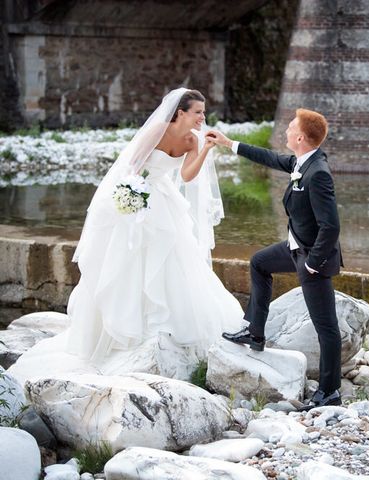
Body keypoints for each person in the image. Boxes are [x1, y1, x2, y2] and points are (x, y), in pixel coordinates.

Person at [9, 88, 244, 382]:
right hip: (139, 198)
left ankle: (165, 327)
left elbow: (186, 176)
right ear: (181, 113)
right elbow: (131, 165)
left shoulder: (193, 140)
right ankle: (127, 332)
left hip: (165, 202)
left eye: (203, 112)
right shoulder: (158, 129)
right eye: (198, 112)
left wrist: (207, 149)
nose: (203, 118)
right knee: (129, 259)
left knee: (171, 257)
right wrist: (132, 195)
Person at [209, 109, 344, 409]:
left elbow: (331, 226)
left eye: (290, 127)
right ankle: (255, 331)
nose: (285, 131)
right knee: (259, 262)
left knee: (326, 327)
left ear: (300, 138)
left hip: (312, 260)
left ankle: (330, 391)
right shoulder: (301, 162)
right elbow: (270, 158)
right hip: (295, 248)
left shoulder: (318, 173)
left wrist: (313, 263)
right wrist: (228, 143)